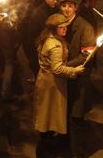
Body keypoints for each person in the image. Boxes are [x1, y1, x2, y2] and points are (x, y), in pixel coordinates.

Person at [33, 13, 86, 154]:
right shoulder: (55, 45)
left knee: (45, 114)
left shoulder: (46, 39)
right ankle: (46, 149)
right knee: (50, 114)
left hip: (44, 80)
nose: (65, 29)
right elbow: (57, 68)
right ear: (54, 28)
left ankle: (45, 144)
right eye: (62, 27)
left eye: (66, 27)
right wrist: (75, 70)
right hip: (53, 84)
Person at [60, 0, 96, 157]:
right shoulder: (59, 23)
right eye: (63, 5)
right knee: (63, 115)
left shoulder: (84, 26)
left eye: (69, 5)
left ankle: (78, 153)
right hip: (63, 77)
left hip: (78, 78)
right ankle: (66, 147)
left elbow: (87, 54)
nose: (66, 9)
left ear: (75, 7)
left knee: (76, 118)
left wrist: (66, 66)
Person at [20, 0, 61, 81]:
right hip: (40, 50)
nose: (55, 1)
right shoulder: (39, 14)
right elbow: (32, 36)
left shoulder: (54, 10)